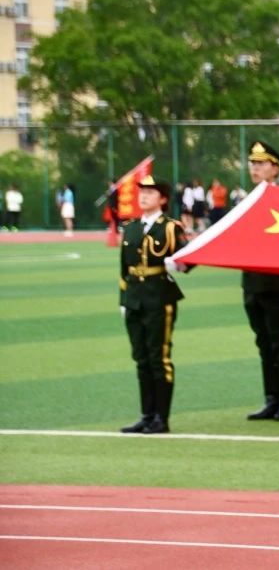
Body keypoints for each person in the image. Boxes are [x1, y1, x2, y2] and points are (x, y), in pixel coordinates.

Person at [122, 176, 188, 434]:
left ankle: (161, 417)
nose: (143, 196)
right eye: (142, 192)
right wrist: (123, 300)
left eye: (150, 192)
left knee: (158, 358)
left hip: (159, 297)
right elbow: (124, 268)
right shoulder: (131, 228)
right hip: (134, 298)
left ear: (162, 199)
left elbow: (188, 258)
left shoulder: (170, 227)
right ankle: (147, 415)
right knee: (141, 359)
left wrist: (177, 264)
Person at [242, 141, 279, 421]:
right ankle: (271, 399)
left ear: (275, 169)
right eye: (253, 163)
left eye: (261, 163)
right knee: (263, 342)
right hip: (251, 281)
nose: (255, 168)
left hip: (277, 283)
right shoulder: (245, 201)